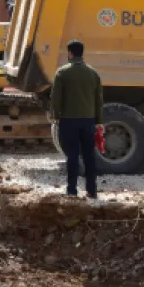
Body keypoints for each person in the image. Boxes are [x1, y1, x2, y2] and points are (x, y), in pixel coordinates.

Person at [50, 39, 104, 199]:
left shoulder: (62, 73)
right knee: (89, 155)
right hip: (88, 120)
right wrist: (99, 121)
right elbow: (99, 99)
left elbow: (55, 98)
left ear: (70, 53)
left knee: (72, 155)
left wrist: (56, 116)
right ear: (82, 53)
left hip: (68, 120)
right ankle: (92, 190)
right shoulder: (93, 73)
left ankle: (72, 190)